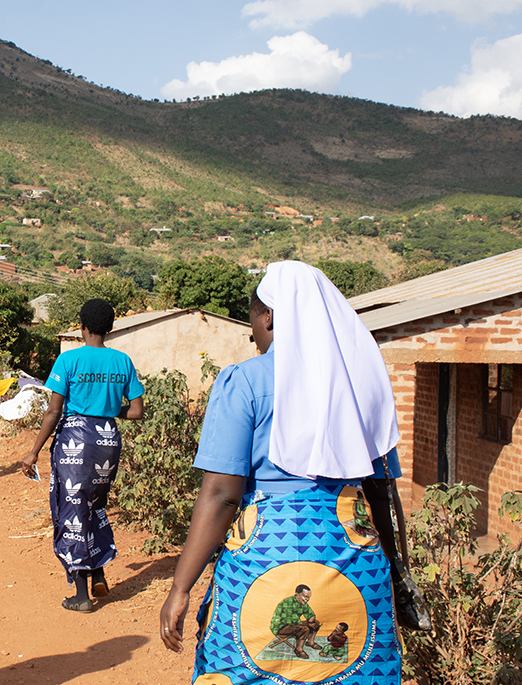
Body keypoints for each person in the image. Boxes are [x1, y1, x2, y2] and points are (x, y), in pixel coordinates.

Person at [159, 261, 405, 683]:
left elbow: (222, 493)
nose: (251, 329)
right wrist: (396, 572)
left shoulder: (246, 382)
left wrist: (180, 587)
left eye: (251, 316)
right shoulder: (358, 384)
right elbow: (381, 490)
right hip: (356, 562)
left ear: (267, 316)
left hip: (266, 557)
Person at [21, 299, 144, 613]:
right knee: (95, 505)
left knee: (72, 511)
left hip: (76, 440)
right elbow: (137, 411)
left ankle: (81, 595)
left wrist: (33, 451)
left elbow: (52, 411)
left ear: (82, 327)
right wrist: (106, 410)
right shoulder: (122, 361)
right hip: (108, 440)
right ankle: (99, 571)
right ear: (110, 327)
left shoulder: (68, 360)